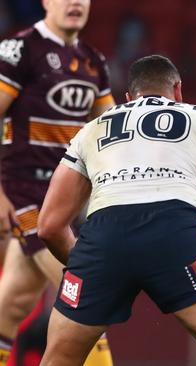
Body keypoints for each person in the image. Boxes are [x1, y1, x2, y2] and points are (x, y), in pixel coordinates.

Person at [36, 54, 196, 365]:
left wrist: (91, 266)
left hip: (103, 238)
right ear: (178, 90)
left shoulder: (92, 129)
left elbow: (49, 226)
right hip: (176, 233)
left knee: (57, 360)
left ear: (127, 97)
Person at [0, 0, 115, 364]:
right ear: (46, 1)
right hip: (25, 194)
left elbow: (111, 127)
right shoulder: (19, 50)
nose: (76, 3)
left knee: (12, 305)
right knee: (85, 292)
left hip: (66, 195)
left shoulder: (93, 61)